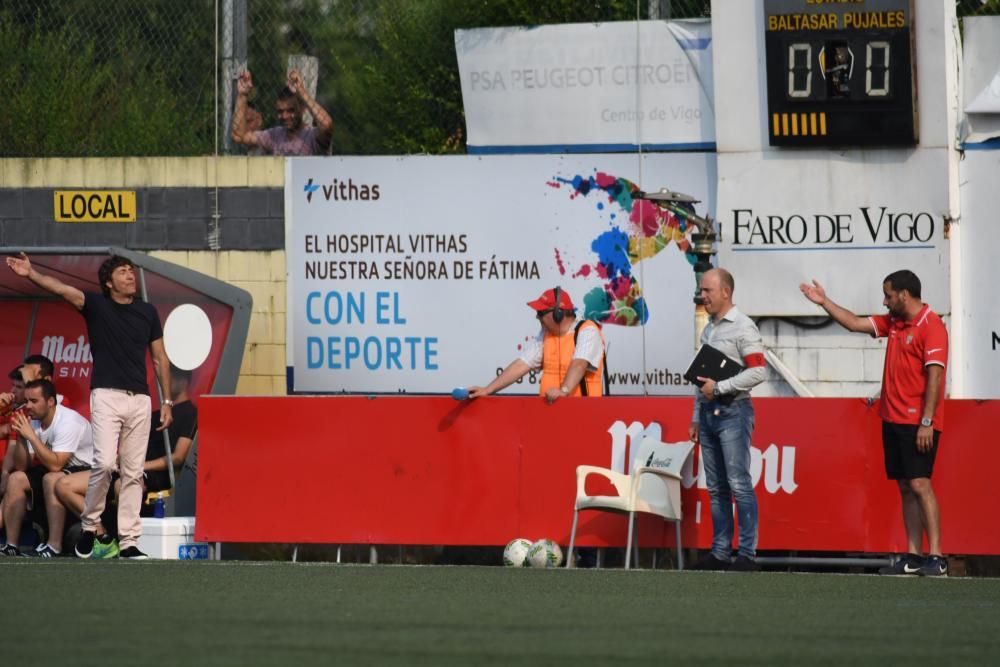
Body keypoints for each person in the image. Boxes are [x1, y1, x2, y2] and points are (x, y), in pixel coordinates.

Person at [6, 252, 173, 560]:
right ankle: (90, 524)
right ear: (109, 282)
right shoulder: (96, 305)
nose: (130, 276)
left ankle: (129, 543)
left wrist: (166, 400)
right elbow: (60, 288)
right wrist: (30, 274)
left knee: (133, 473)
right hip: (106, 395)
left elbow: (160, 357)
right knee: (106, 464)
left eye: (131, 271)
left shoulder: (148, 312)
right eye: (123, 272)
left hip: (140, 398)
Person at [800, 270, 949, 577]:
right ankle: (913, 555)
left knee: (921, 484)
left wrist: (926, 421)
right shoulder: (893, 322)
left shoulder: (931, 326)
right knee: (905, 486)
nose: (885, 300)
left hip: (916, 421)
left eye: (889, 295)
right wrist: (824, 302)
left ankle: (938, 556)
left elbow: (935, 376)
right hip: (892, 419)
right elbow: (854, 323)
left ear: (904, 295)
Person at [688, 268, 766, 572]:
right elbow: (701, 377)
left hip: (734, 411)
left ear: (725, 292)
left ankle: (747, 553)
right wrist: (696, 415)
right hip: (710, 413)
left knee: (738, 483)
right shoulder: (709, 328)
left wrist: (720, 387)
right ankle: (720, 552)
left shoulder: (744, 327)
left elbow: (758, 372)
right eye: (702, 290)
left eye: (707, 290)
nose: (702, 295)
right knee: (718, 487)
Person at [0, 379, 93, 557]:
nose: (28, 406)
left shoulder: (68, 421)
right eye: (26, 401)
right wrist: (21, 436)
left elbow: (56, 464)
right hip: (59, 466)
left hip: (85, 470)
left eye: (34, 401)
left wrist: (32, 438)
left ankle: (54, 545)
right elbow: (22, 465)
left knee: (51, 478)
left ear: (50, 402)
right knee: (16, 478)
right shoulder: (33, 420)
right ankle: (11, 544)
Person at [468, 287, 607, 402]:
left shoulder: (588, 331)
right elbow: (522, 364)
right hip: (551, 414)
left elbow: (579, 364)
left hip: (583, 416)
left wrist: (563, 391)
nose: (537, 317)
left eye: (540, 312)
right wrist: (487, 390)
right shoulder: (546, 334)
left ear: (558, 314)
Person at [231, 68, 333, 156]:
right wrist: (242, 95)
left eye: (291, 110)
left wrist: (302, 93)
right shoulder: (274, 135)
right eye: (280, 111)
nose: (285, 116)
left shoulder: (311, 135)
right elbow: (239, 136)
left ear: (302, 109)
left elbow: (326, 124)